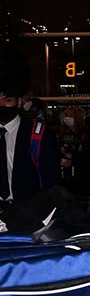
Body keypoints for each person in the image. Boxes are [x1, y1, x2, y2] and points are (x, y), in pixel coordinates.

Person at [0, 56, 60, 209]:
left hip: (26, 210)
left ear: (19, 102)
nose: (1, 105)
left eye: (7, 100)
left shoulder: (37, 133)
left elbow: (50, 177)